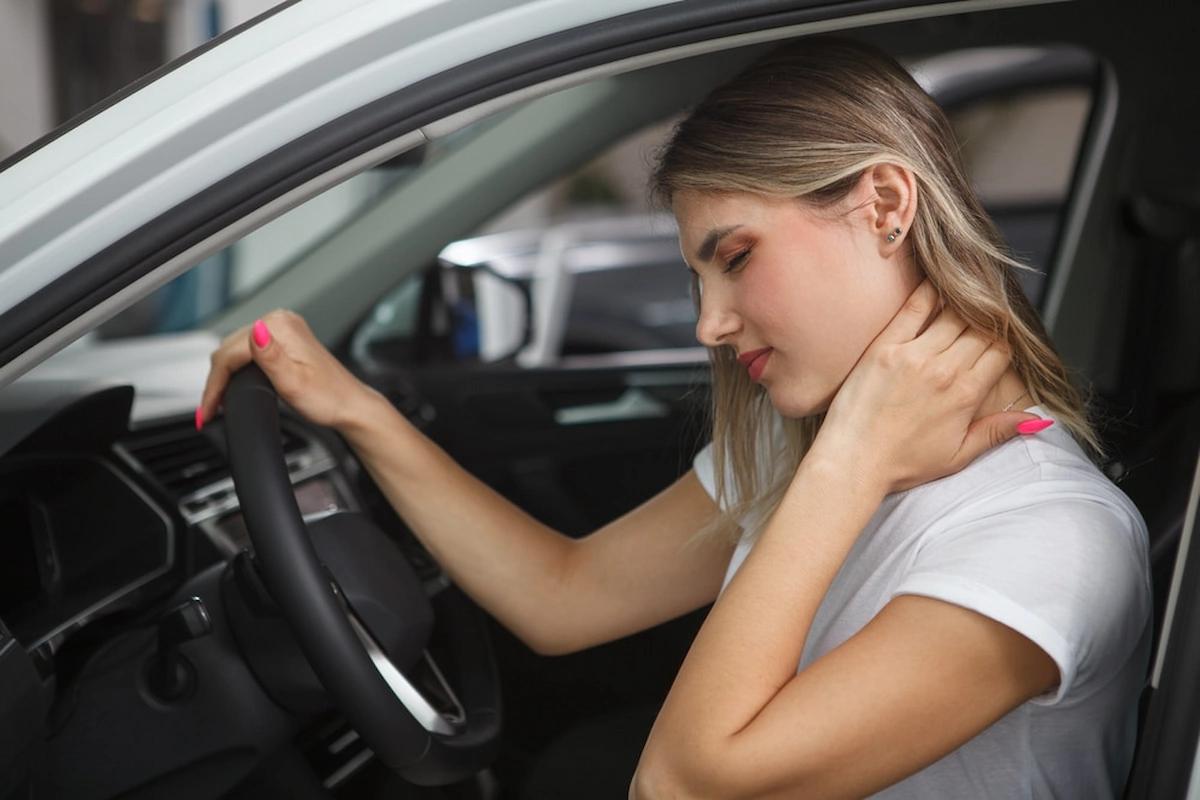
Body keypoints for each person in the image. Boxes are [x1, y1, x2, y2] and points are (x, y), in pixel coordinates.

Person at [198, 37, 1151, 799]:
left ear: (886, 207)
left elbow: (685, 785)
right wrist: (356, 410)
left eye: (735, 257)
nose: (708, 323)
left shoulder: (1048, 540)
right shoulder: (806, 443)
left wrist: (850, 464)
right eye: (698, 278)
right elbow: (562, 596)